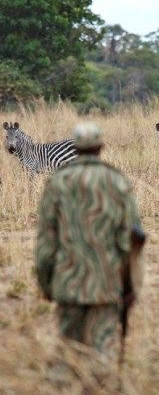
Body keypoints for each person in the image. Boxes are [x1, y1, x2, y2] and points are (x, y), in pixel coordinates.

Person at [36, 122, 142, 362]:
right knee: (101, 354)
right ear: (101, 147)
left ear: (74, 148)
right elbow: (133, 241)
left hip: (67, 283)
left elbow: (45, 242)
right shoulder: (117, 181)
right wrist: (132, 286)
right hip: (107, 284)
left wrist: (46, 283)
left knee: (67, 353)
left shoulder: (58, 181)